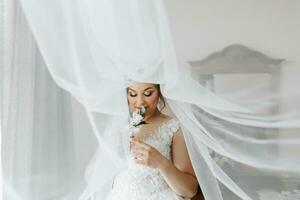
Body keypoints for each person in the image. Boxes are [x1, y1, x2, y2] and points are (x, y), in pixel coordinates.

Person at [106, 82, 199, 200]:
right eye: (133, 94)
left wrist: (159, 161)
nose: (140, 102)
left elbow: (189, 190)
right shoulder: (120, 127)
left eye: (148, 93)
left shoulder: (173, 127)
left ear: (160, 92)